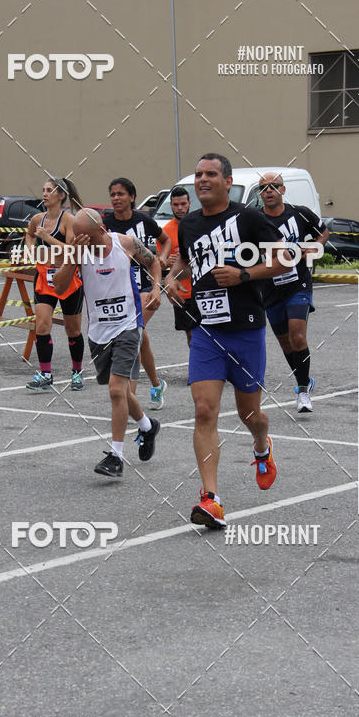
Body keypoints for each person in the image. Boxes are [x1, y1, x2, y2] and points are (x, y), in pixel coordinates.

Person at [164, 154, 290, 529]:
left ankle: (262, 446)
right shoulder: (188, 223)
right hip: (206, 330)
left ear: (227, 180)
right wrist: (172, 278)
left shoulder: (248, 218)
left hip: (246, 329)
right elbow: (186, 260)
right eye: (198, 175)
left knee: (250, 415)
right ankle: (211, 499)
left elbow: (286, 258)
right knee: (204, 411)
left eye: (210, 174)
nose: (202, 180)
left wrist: (244, 274)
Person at [50, 209, 161, 478]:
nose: (81, 240)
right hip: (99, 331)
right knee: (123, 394)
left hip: (128, 326)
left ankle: (116, 456)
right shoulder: (79, 252)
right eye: (77, 237)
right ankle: (147, 426)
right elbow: (59, 287)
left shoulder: (124, 244)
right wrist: (72, 259)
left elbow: (154, 262)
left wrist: (156, 288)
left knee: (115, 390)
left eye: (85, 236)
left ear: (101, 229)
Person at [258, 171, 329, 413]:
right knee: (287, 344)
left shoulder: (299, 213)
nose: (268, 191)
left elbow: (324, 231)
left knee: (298, 336)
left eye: (273, 186)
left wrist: (315, 248)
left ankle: (301, 391)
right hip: (269, 287)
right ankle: (305, 380)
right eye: (264, 188)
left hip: (298, 283)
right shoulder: (255, 219)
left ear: (283, 190)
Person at [104, 177, 171, 409]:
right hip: (117, 289)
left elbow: (166, 240)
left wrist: (162, 257)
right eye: (112, 194)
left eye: (121, 194)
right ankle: (156, 384)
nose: (116, 198)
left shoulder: (144, 221)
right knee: (140, 339)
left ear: (132, 197)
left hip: (143, 287)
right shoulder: (105, 223)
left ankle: (127, 397)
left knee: (130, 334)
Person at [24, 177, 86, 392]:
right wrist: (30, 249)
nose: (45, 193)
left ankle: (77, 372)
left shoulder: (68, 220)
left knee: (73, 329)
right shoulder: (37, 219)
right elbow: (29, 235)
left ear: (61, 196)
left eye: (50, 190)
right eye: (43, 189)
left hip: (68, 278)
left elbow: (71, 250)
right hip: (44, 278)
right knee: (41, 325)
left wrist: (48, 239)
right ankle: (45, 373)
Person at [159, 186, 199, 347]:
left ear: (189, 203)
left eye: (183, 204)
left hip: (201, 287)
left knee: (207, 332)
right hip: (182, 291)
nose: (180, 208)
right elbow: (161, 262)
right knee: (190, 335)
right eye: (176, 205)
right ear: (171, 205)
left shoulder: (198, 223)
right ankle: (197, 368)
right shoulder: (165, 231)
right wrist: (167, 262)